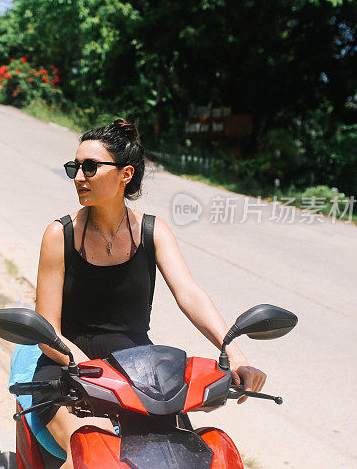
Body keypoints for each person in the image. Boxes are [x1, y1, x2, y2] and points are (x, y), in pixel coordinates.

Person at [32, 117, 266, 468]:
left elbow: (190, 294)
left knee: (189, 456)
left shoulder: (154, 231)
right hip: (70, 371)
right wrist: (90, 371)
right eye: (75, 167)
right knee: (92, 452)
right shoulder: (59, 235)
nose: (80, 177)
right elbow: (47, 330)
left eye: (91, 167)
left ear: (125, 174)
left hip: (140, 376)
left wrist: (235, 354)